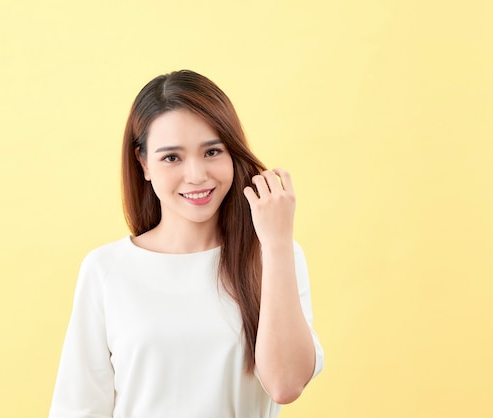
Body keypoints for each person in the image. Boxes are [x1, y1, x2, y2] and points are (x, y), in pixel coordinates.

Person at [48, 70, 324, 418]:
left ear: (232, 153)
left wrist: (277, 241)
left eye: (212, 151)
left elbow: (286, 384)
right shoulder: (106, 270)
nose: (196, 175)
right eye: (171, 157)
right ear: (144, 163)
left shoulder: (274, 256)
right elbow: (79, 408)